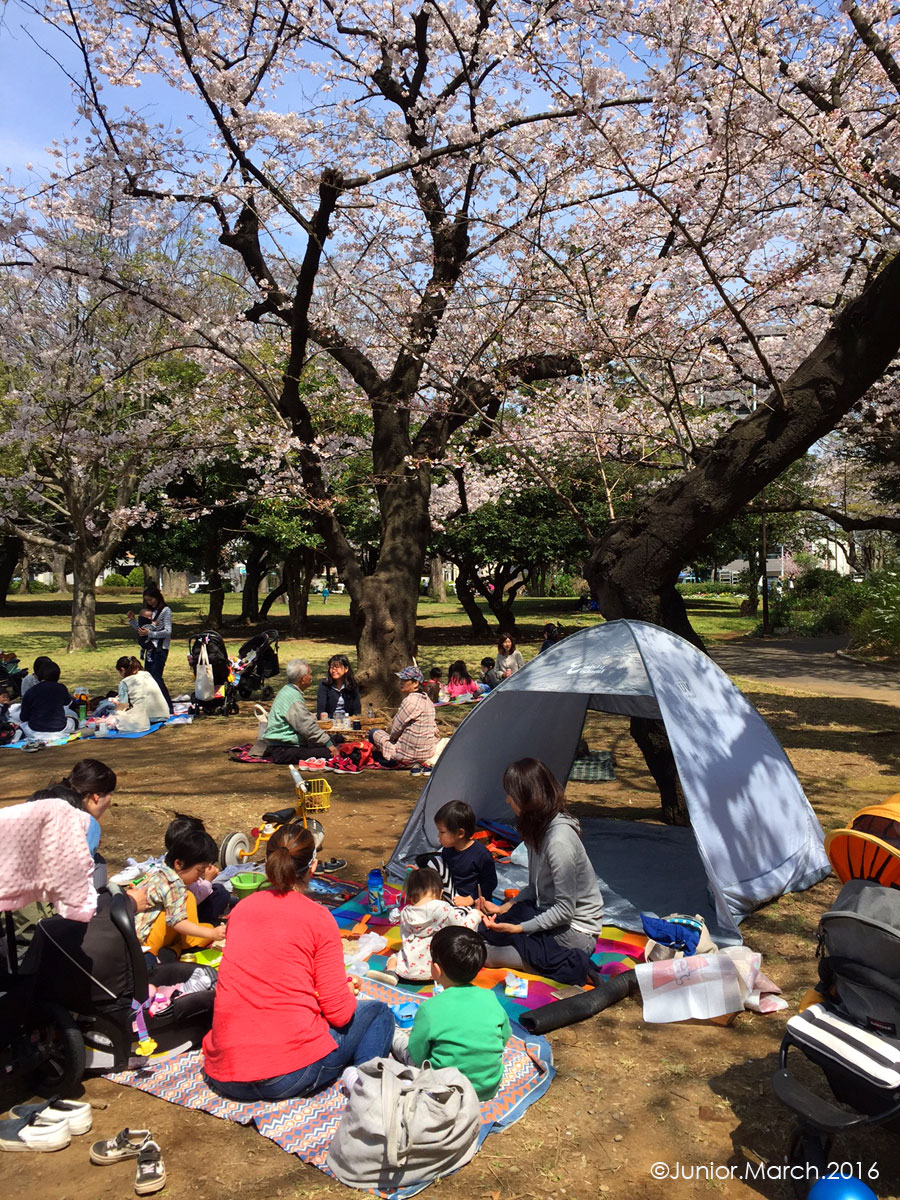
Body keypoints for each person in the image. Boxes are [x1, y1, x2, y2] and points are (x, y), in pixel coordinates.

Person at [203, 824, 394, 1100]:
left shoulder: (241, 909)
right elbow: (339, 1013)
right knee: (378, 1012)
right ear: (313, 866)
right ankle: (366, 1087)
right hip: (287, 1075)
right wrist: (345, 991)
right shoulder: (318, 918)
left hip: (225, 1073)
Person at [478, 758, 605, 987]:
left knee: (488, 954)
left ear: (528, 798)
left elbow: (565, 910)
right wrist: (504, 907)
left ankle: (572, 962)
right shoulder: (536, 829)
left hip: (576, 932)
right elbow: (533, 887)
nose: (507, 800)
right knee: (487, 931)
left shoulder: (559, 841)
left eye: (511, 794)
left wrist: (519, 928)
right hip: (548, 915)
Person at [392, 927, 510, 1101]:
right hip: (488, 1087)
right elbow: (505, 1036)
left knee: (397, 1037)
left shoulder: (430, 1008)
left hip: (445, 1090)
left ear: (436, 969)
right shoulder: (490, 997)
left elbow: (417, 1054)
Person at [134, 826, 227, 961]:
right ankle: (182, 948)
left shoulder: (162, 873)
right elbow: (177, 922)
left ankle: (176, 949)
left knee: (201, 924)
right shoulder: (173, 884)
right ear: (178, 864)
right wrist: (211, 933)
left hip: (142, 938)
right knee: (190, 900)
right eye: (199, 871)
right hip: (148, 943)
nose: (199, 876)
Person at [386, 867, 482, 982]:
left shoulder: (405, 913)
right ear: (441, 893)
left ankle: (391, 972)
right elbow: (463, 928)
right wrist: (475, 914)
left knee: (395, 957)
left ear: (410, 896)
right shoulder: (443, 909)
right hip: (437, 970)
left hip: (406, 970)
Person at [252, 658, 341, 764]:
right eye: (309, 674)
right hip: (284, 749)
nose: (311, 677)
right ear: (302, 679)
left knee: (336, 739)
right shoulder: (293, 697)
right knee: (328, 753)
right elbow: (306, 727)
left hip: (283, 746)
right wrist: (329, 744)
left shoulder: (288, 690)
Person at [369, 666, 438, 768]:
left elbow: (395, 730)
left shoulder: (410, 701)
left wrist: (392, 740)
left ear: (415, 683)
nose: (401, 682)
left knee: (373, 732)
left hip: (407, 755)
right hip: (427, 754)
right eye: (401, 679)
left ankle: (389, 760)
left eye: (405, 680)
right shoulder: (428, 701)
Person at [434, 801, 497, 907]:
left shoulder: (481, 855)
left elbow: (490, 883)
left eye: (442, 832)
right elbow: (442, 871)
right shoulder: (447, 850)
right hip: (452, 899)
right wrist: (425, 873)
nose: (438, 836)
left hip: (476, 904)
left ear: (460, 833)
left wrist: (471, 899)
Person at [128, 584, 173, 711]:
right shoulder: (151, 612)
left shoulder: (165, 611)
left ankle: (168, 706)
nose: (149, 602)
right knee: (148, 678)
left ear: (157, 597)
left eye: (151, 599)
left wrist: (150, 634)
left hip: (160, 649)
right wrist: (132, 620)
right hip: (149, 650)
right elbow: (142, 629)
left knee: (156, 677)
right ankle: (154, 705)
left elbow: (168, 631)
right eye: (147, 600)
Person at [18, 660, 76, 741]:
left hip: (35, 731)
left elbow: (23, 717)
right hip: (60, 729)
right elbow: (67, 702)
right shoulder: (61, 688)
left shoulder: (31, 691)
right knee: (73, 720)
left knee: (22, 725)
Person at [112, 655, 170, 728]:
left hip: (144, 719)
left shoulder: (125, 682)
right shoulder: (147, 674)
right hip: (163, 715)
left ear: (122, 670)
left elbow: (123, 707)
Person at [316, 654, 362, 721]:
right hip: (329, 721)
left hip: (348, 721)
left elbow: (357, 711)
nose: (333, 670)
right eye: (331, 667)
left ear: (346, 669)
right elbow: (320, 711)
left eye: (337, 667)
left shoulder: (352, 686)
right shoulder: (324, 685)